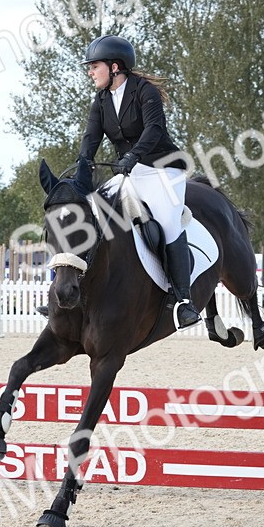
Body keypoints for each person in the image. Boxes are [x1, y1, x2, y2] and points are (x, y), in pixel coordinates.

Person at [74, 35, 201, 329]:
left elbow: (154, 130)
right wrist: (81, 170)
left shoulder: (145, 92)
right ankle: (71, 290)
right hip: (130, 172)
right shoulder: (102, 99)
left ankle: (184, 301)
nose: (90, 72)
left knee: (168, 222)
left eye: (94, 66)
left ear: (115, 67)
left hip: (162, 171)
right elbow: (90, 137)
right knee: (90, 210)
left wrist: (132, 156)